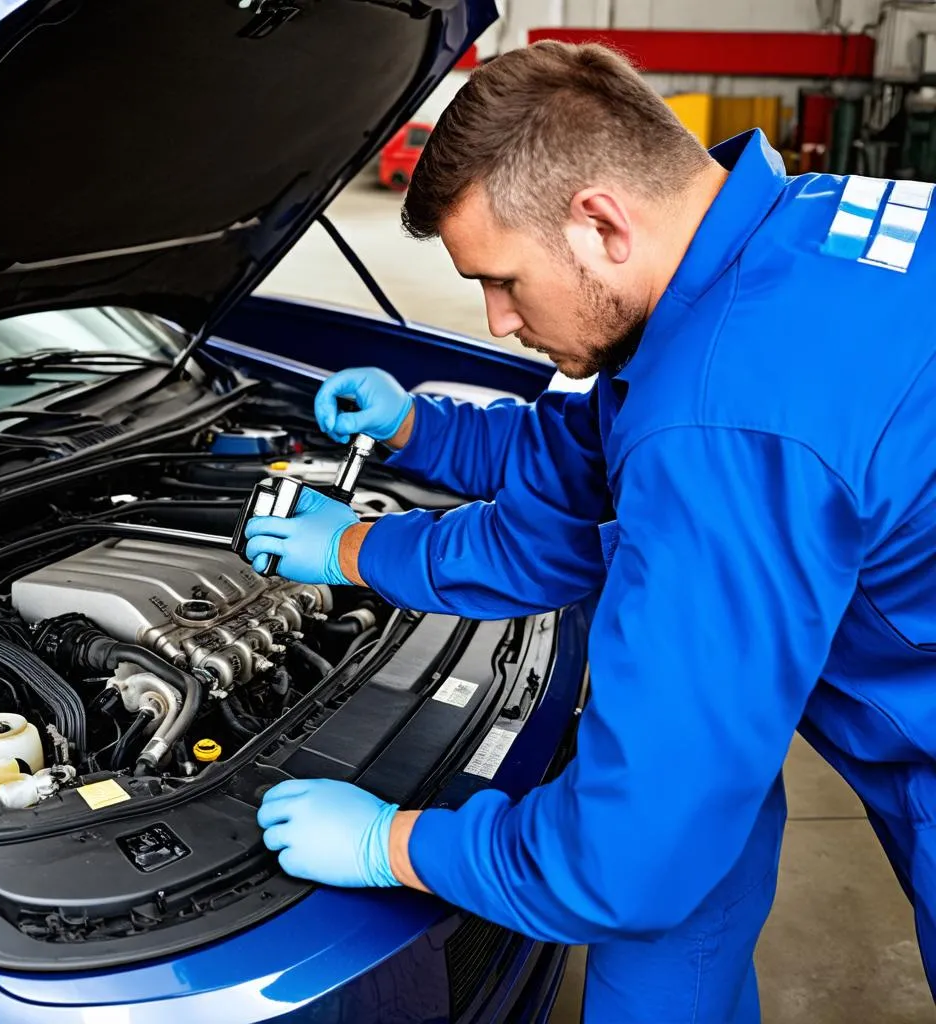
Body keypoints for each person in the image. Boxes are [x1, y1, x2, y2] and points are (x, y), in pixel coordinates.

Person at [244, 40, 936, 1022]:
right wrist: (410, 438)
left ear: (600, 221)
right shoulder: (781, 240)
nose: (492, 322)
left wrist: (392, 844)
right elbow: (577, 467)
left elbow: (628, 861)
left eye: (504, 281)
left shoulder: (720, 423)